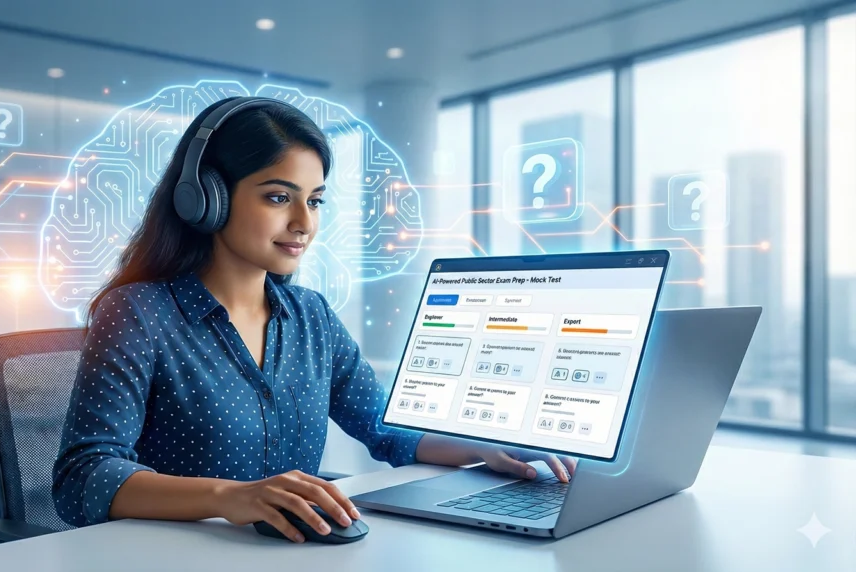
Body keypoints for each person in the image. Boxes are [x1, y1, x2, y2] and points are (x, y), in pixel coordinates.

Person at [52, 97, 576, 543]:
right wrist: (233, 498)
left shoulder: (311, 318)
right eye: (279, 197)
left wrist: (481, 448)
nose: (304, 223)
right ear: (206, 199)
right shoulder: (140, 313)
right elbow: (84, 477)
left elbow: (385, 430)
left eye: (316, 200)